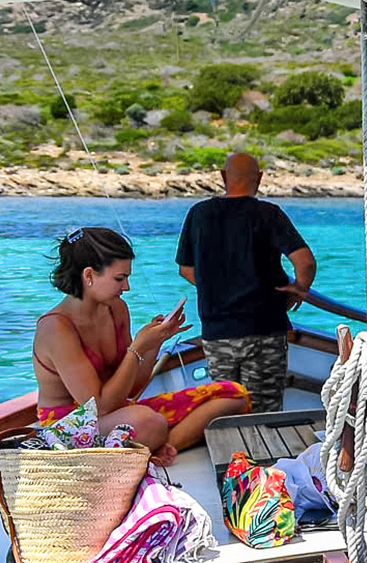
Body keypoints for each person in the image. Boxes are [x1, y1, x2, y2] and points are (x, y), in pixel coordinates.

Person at [33, 227, 251, 465]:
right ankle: (157, 443)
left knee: (233, 394)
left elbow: (131, 389)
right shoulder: (56, 328)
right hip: (70, 425)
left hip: (117, 412)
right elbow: (100, 407)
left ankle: (163, 447)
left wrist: (154, 343)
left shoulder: (117, 309)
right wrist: (136, 348)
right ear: (89, 276)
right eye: (119, 278)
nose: (126, 287)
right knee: (148, 421)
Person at [175, 152, 316, 413]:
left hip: (217, 332)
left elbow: (186, 269)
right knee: (263, 413)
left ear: (223, 176)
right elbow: (304, 261)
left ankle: (232, 454)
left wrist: (218, 286)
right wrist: (299, 290)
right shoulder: (268, 214)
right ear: (259, 178)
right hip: (265, 328)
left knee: (226, 409)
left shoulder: (199, 213)